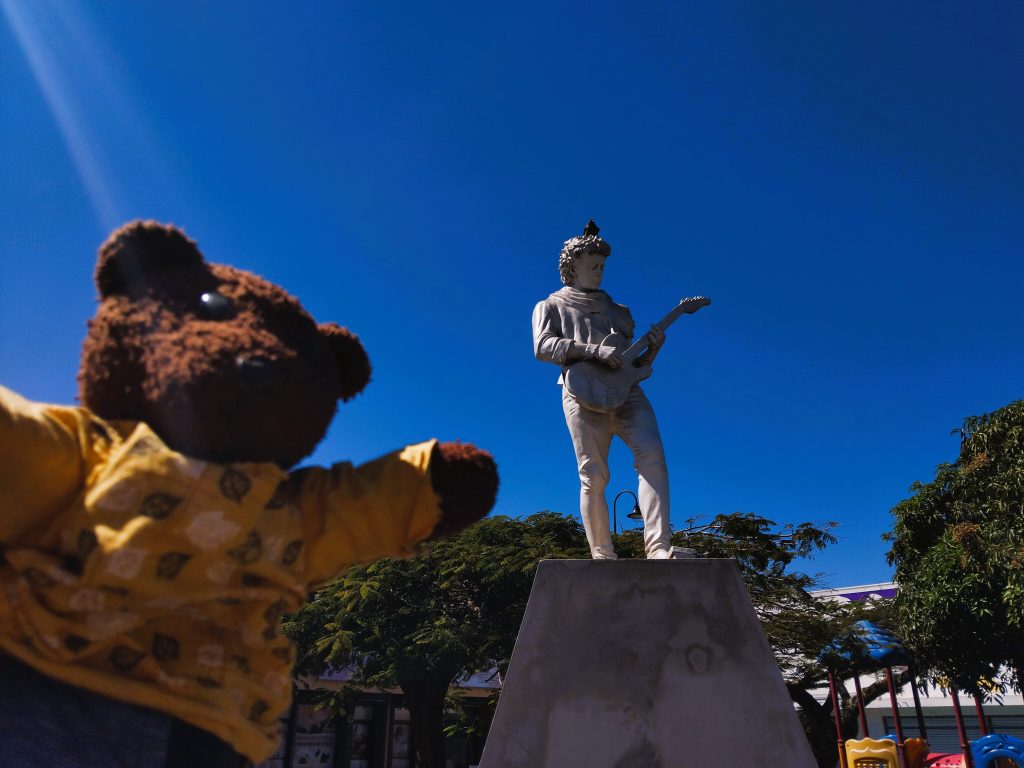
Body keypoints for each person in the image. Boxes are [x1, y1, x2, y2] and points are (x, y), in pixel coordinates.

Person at [532, 220, 699, 560]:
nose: (599, 271)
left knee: (652, 454)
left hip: (627, 395)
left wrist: (653, 348)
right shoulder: (550, 306)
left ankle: (658, 547)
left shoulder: (620, 313)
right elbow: (543, 346)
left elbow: (632, 367)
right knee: (593, 474)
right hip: (581, 393)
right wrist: (593, 351)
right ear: (572, 266)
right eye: (592, 265)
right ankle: (602, 555)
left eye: (603, 266)